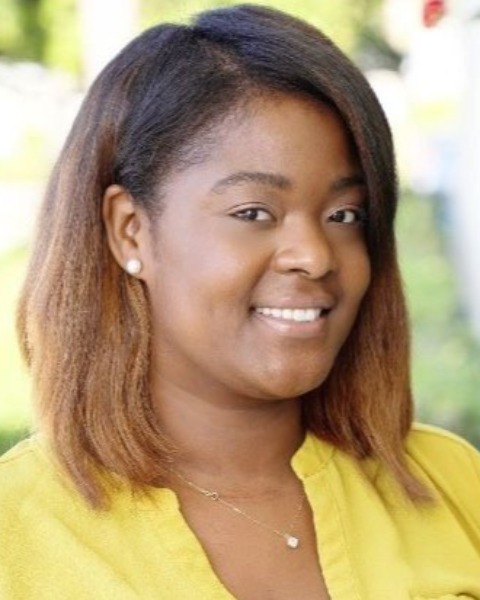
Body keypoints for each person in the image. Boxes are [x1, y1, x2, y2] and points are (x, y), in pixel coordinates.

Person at [1, 4, 479, 599]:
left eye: (344, 215)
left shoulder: (452, 483)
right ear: (131, 230)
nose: (314, 255)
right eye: (254, 212)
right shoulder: (16, 535)